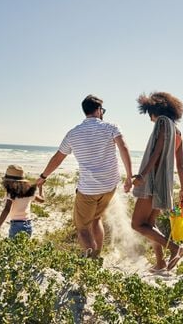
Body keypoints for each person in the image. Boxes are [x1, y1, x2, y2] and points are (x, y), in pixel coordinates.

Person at [36, 94, 133, 258]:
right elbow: (124, 148)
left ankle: (90, 259)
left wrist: (43, 176)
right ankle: (96, 256)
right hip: (109, 187)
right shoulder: (111, 127)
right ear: (98, 110)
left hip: (88, 189)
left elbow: (58, 158)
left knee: (83, 228)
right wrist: (129, 177)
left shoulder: (73, 134)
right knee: (96, 219)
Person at [131, 92, 183, 272]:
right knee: (150, 224)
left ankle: (176, 249)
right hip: (165, 184)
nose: (150, 120)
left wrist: (142, 176)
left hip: (154, 181)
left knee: (137, 224)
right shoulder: (177, 131)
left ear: (156, 110)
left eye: (150, 114)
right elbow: (180, 165)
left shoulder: (162, 122)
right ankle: (160, 263)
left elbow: (156, 152)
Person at [0, 164, 45, 238]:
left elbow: (7, 209)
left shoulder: (11, 192)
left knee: (13, 247)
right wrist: (41, 187)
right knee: (24, 247)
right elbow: (42, 200)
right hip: (28, 225)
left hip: (16, 225)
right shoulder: (30, 191)